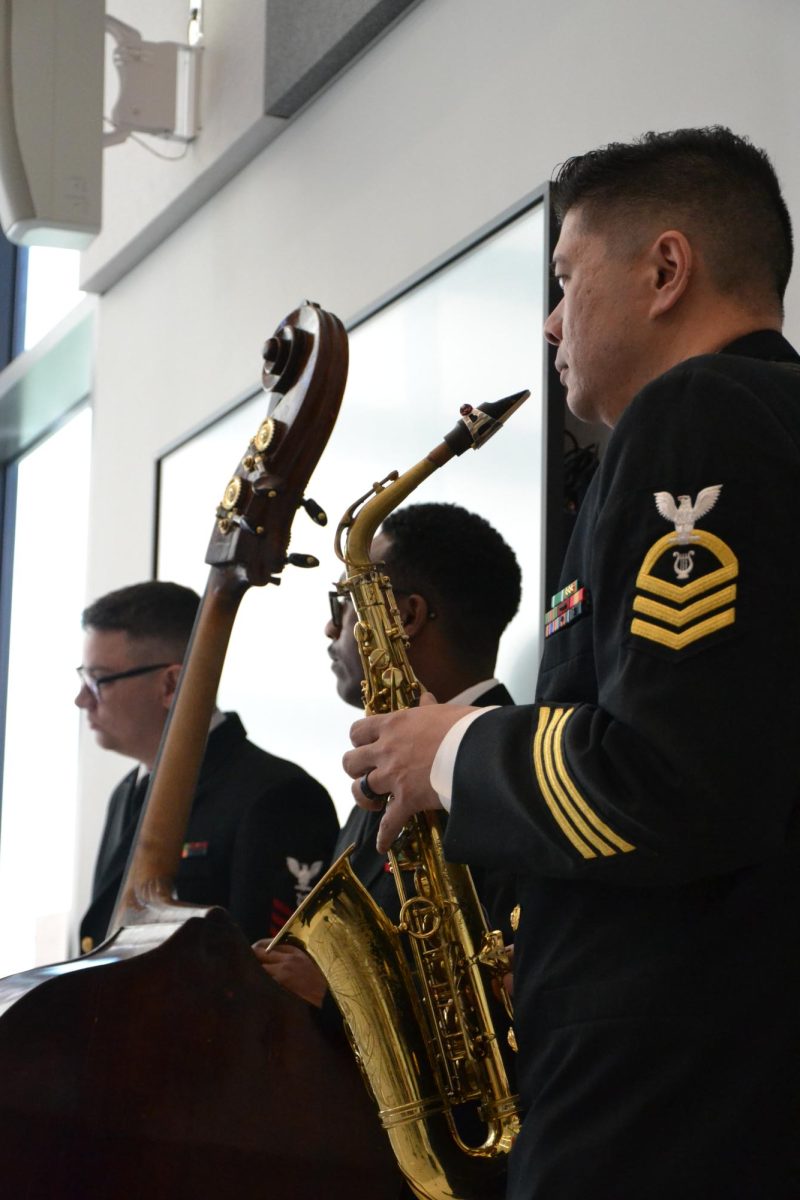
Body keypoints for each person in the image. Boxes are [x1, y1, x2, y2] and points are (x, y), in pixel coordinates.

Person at [342, 127, 800, 1199]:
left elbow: (676, 784)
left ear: (663, 269)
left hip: (670, 1104)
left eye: (562, 277)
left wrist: (448, 751)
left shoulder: (697, 415)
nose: (548, 322)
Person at [258, 501, 522, 1012]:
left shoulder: (508, 777)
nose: (331, 631)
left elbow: (498, 1003)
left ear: (402, 616)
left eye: (343, 604)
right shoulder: (402, 766)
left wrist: (335, 1002)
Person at [76, 580, 338, 951]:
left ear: (171, 685)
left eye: (98, 680)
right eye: (83, 677)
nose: (81, 698)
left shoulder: (277, 796)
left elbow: (271, 975)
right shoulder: (126, 792)